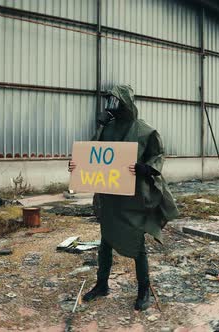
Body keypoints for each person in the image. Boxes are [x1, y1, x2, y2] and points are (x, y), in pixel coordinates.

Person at [68, 85, 179, 311]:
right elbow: (92, 154)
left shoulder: (144, 130)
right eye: (109, 102)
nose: (112, 106)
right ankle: (102, 285)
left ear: (126, 102)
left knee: (136, 245)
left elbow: (158, 154)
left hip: (132, 198)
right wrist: (77, 164)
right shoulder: (106, 129)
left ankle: (143, 289)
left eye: (116, 101)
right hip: (109, 198)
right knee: (105, 242)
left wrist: (146, 168)